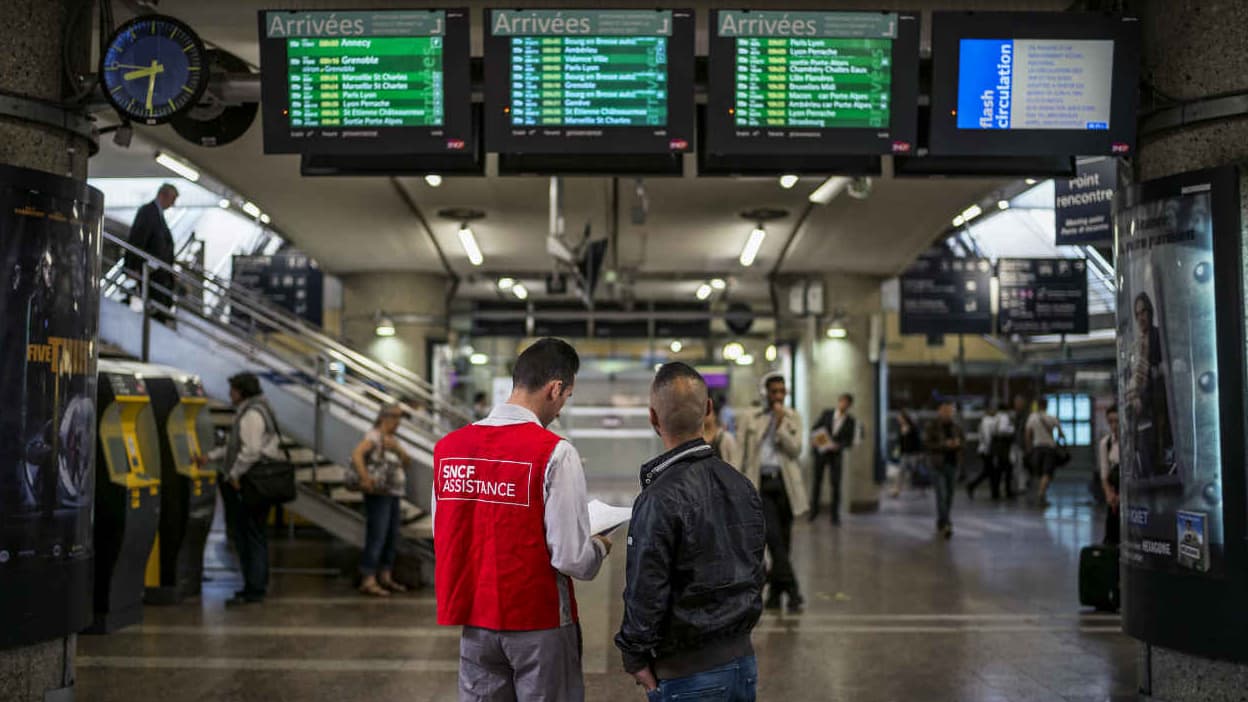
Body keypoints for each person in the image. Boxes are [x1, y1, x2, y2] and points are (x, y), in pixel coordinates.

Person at [432, 338, 612, 702]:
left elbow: (445, 535)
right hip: (539, 623)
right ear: (555, 388)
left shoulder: (448, 450)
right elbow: (571, 558)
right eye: (566, 397)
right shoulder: (555, 452)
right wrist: (600, 545)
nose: (561, 409)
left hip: (476, 625)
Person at [615, 363, 765, 701]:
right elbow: (755, 570)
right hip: (743, 662)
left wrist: (634, 655)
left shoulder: (657, 498)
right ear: (709, 409)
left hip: (686, 673)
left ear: (653, 418)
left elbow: (646, 589)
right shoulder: (742, 485)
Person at [194, 372, 284, 605]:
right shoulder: (260, 408)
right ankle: (256, 585)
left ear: (242, 391)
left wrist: (233, 474)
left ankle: (253, 589)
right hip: (259, 481)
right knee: (256, 534)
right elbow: (237, 445)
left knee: (249, 536)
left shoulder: (251, 414)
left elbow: (250, 451)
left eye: (232, 389)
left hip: (250, 483)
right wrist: (210, 456)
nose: (229, 394)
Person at [739, 372, 808, 613]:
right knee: (775, 542)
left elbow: (796, 449)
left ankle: (775, 596)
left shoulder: (792, 418)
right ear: (765, 393)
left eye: (781, 391)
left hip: (786, 485)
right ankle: (794, 591)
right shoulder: (751, 418)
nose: (778, 396)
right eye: (773, 391)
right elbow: (742, 453)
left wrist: (780, 427)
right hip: (761, 485)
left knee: (784, 544)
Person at [351, 404, 412, 597]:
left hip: (393, 492)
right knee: (377, 535)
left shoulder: (393, 440)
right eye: (395, 418)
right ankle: (368, 578)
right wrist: (365, 478)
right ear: (385, 417)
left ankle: (385, 575)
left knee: (390, 536)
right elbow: (357, 454)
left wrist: (398, 450)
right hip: (379, 494)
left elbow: (406, 462)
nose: (398, 422)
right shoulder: (374, 436)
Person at [1125, 292, 1175, 478]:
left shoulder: (1158, 336)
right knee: (1142, 449)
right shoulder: (1136, 344)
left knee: (1156, 446)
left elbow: (1169, 364)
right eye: (1137, 314)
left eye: (1143, 312)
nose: (1140, 317)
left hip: (1155, 401)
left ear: (1150, 312)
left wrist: (1156, 371)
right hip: (1138, 405)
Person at [125, 183, 178, 323]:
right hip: (150, 272)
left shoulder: (158, 215)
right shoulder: (148, 212)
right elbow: (137, 239)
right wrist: (132, 267)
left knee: (160, 308)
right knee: (155, 309)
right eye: (172, 199)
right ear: (163, 195)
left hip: (159, 273)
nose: (172, 204)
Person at [808, 393, 856, 524]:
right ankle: (814, 512)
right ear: (839, 401)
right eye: (842, 401)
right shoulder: (827, 414)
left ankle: (835, 516)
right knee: (817, 483)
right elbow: (815, 429)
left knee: (836, 485)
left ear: (849, 405)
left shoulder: (850, 421)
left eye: (847, 403)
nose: (843, 405)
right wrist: (817, 440)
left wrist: (838, 445)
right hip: (821, 453)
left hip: (835, 455)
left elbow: (849, 441)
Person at [923, 401, 964, 539]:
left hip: (953, 464)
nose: (948, 414)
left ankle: (942, 520)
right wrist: (945, 445)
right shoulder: (932, 426)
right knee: (941, 494)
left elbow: (963, 442)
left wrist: (958, 444)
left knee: (950, 495)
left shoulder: (956, 427)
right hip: (937, 464)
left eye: (950, 411)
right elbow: (927, 443)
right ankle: (946, 523)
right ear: (939, 411)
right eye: (945, 411)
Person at [1025, 404, 1066, 507]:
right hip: (1049, 448)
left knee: (1038, 472)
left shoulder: (1032, 417)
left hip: (1037, 448)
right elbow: (1061, 434)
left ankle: (1038, 492)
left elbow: (1028, 433)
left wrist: (1029, 449)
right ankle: (1041, 493)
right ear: (1047, 406)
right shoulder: (1052, 418)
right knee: (1047, 473)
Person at [1099, 405, 1121, 545]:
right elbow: (1104, 472)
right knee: (1111, 532)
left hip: (1128, 492)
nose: (1114, 425)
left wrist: (1123, 495)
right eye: (1110, 422)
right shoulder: (1105, 443)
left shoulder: (1133, 440)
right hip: (1113, 491)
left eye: (1117, 421)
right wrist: (1108, 494)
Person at [966, 406, 997, 500]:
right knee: (988, 471)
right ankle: (972, 486)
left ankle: (994, 492)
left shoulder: (984, 421)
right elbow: (988, 437)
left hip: (984, 449)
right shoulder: (988, 421)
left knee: (990, 472)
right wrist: (991, 449)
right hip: (987, 450)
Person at [890, 410, 923, 498]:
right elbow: (900, 441)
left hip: (913, 453)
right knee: (901, 471)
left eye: (900, 418)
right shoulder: (900, 428)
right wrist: (898, 451)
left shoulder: (913, 427)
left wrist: (919, 453)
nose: (898, 419)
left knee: (914, 472)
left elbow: (917, 441)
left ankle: (921, 488)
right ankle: (896, 490)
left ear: (904, 418)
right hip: (904, 453)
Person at [704, 394, 739, 467]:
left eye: (708, 411)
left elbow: (735, 464)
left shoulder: (726, 438)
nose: (704, 415)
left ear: (715, 414)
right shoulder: (696, 438)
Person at [991, 404, 1017, 499]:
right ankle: (1007, 490)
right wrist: (1012, 429)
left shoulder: (995, 417)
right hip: (1003, 446)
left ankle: (996, 491)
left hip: (997, 446)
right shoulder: (1004, 417)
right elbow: (1002, 430)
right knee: (1007, 469)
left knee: (998, 470)